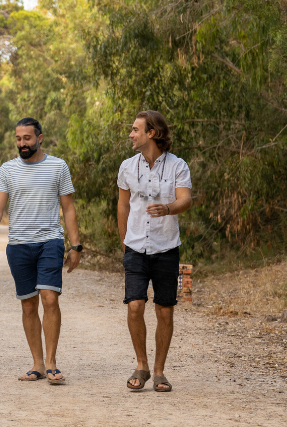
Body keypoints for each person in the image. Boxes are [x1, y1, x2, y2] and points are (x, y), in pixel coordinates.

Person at [0, 118, 81, 385]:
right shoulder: (7, 169)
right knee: (28, 304)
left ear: (40, 138)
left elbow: (68, 208)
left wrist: (75, 245)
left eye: (27, 138)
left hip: (50, 241)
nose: (22, 143)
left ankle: (51, 364)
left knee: (49, 299)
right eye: (18, 139)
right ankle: (36, 363)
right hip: (19, 245)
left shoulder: (58, 166)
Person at [117, 110, 192, 392]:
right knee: (135, 305)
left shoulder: (178, 166)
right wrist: (124, 240)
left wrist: (168, 208)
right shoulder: (126, 166)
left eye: (135, 129)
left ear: (152, 133)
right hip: (135, 249)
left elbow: (186, 199)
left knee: (165, 311)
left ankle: (159, 371)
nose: (131, 134)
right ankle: (142, 365)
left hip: (167, 248)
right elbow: (123, 205)